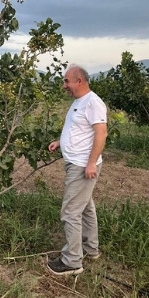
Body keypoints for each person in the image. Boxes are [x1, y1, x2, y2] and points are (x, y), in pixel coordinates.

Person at [46, 65, 108, 275]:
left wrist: (91, 163)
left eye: (67, 81)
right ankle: (90, 248)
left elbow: (101, 134)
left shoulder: (93, 103)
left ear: (79, 81)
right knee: (85, 207)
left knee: (70, 212)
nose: (64, 86)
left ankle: (72, 261)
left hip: (83, 165)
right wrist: (60, 142)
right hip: (77, 161)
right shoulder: (79, 102)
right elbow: (79, 131)